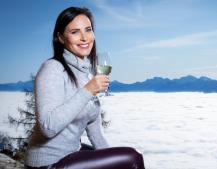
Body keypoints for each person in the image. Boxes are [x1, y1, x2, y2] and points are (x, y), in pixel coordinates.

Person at [25, 7, 145, 169]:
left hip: (71, 152)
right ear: (60, 38)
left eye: (88, 30)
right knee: (133, 157)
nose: (84, 38)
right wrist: (88, 90)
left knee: (118, 159)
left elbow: (95, 133)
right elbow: (48, 127)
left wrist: (112, 163)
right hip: (48, 163)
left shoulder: (87, 74)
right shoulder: (52, 68)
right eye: (75, 32)